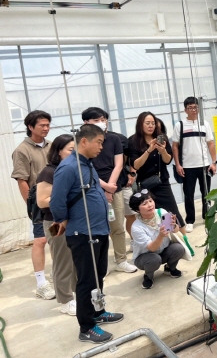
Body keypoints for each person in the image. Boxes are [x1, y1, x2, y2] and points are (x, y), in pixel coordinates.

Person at [51, 124, 124, 344]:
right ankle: (86, 327)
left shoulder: (87, 164)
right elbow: (57, 202)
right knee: (86, 280)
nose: (101, 147)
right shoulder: (68, 167)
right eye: (99, 142)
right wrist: (67, 220)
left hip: (98, 229)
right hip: (83, 232)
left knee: (98, 274)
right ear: (84, 141)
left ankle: (97, 312)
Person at [82, 107, 137, 273]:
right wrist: (104, 187)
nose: (101, 122)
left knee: (117, 226)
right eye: (96, 120)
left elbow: (118, 164)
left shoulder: (113, 139)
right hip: (92, 190)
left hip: (115, 188)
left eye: (103, 119)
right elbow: (84, 167)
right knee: (97, 230)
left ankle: (121, 260)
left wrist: (110, 188)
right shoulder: (82, 141)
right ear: (86, 122)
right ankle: (101, 265)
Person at [11, 110, 54, 300]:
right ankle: (41, 283)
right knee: (40, 240)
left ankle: (58, 274)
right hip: (38, 202)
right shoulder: (22, 150)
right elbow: (22, 180)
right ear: (30, 127)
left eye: (48, 125)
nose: (46, 128)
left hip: (56, 199)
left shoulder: (52, 146)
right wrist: (31, 205)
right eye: (42, 125)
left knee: (57, 236)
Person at [36, 134, 78, 315]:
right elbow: (42, 201)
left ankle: (76, 293)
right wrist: (67, 199)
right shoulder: (49, 172)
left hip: (74, 220)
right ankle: (65, 300)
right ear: (58, 151)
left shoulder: (72, 169)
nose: (74, 153)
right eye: (70, 150)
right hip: (55, 221)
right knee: (62, 261)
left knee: (75, 259)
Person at [128, 111, 187, 235]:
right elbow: (136, 165)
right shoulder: (133, 141)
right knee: (151, 214)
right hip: (145, 186)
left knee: (171, 213)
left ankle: (182, 240)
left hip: (162, 182)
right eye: (147, 123)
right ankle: (159, 239)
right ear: (140, 124)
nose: (151, 126)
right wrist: (149, 150)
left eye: (153, 123)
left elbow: (167, 160)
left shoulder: (161, 138)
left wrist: (163, 150)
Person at [172, 97, 217, 231]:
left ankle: (207, 216)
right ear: (185, 110)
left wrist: (214, 162)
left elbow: (211, 143)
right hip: (187, 166)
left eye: (196, 107)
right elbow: (175, 146)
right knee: (189, 194)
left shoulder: (205, 124)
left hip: (204, 165)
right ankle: (190, 220)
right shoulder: (180, 125)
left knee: (206, 193)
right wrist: (178, 164)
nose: (193, 110)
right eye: (190, 107)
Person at [129, 190, 185, 290]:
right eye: (144, 204)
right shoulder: (136, 227)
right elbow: (152, 248)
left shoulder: (161, 212)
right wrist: (160, 236)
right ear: (137, 209)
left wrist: (174, 225)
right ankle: (148, 276)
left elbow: (175, 230)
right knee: (154, 259)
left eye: (150, 201)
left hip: (163, 250)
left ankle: (170, 268)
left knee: (178, 248)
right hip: (145, 257)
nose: (150, 205)